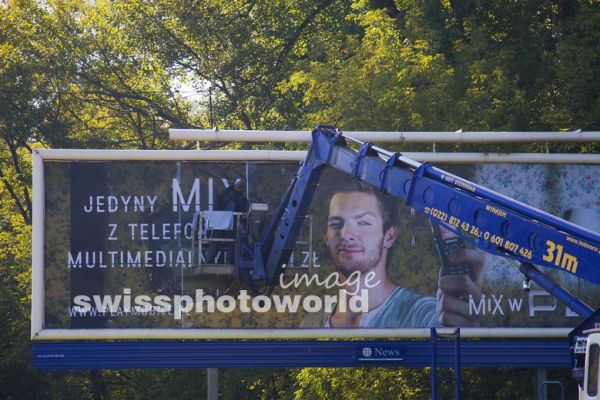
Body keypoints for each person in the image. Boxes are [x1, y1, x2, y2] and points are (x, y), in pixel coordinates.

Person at [300, 179, 484, 328]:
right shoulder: (310, 325)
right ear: (325, 237)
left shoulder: (422, 313)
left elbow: (443, 327)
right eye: (336, 224)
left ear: (389, 236)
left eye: (363, 223)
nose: (346, 234)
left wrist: (459, 329)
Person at [206, 177, 249, 264]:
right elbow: (243, 212)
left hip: (221, 225)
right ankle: (229, 265)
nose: (242, 188)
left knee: (220, 244)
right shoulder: (239, 197)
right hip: (226, 225)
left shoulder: (225, 193)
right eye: (241, 186)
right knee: (230, 244)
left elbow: (216, 205)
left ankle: (210, 263)